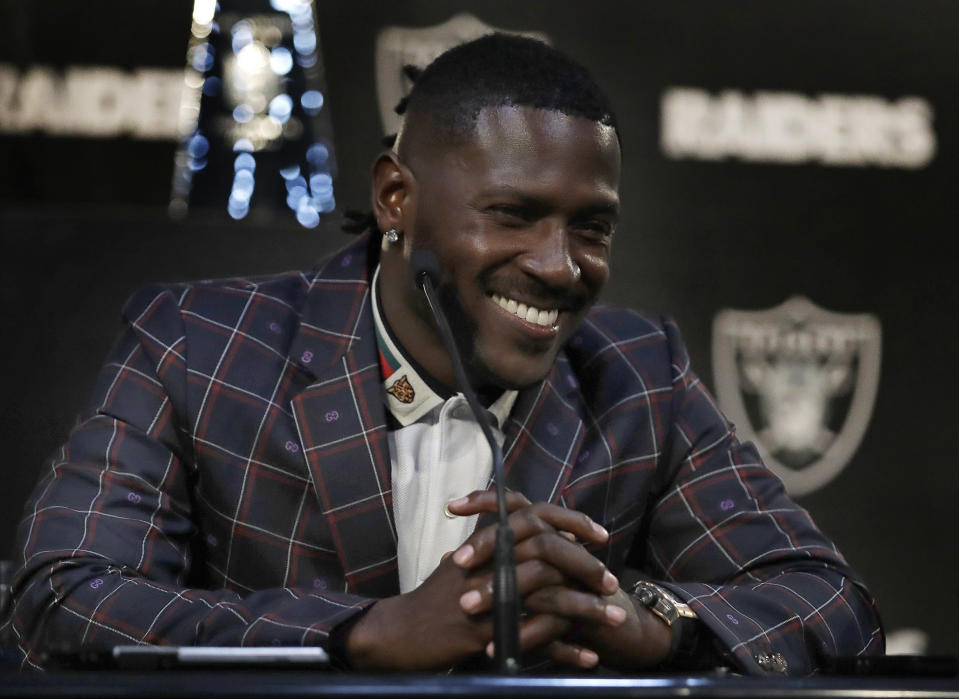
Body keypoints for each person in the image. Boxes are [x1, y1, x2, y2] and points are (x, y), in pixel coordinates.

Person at [3, 34, 882, 674]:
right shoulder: (196, 345)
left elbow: (828, 599)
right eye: (511, 213)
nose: (558, 264)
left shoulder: (637, 371)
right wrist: (356, 632)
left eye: (591, 226)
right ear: (396, 197)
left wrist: (647, 619)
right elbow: (61, 594)